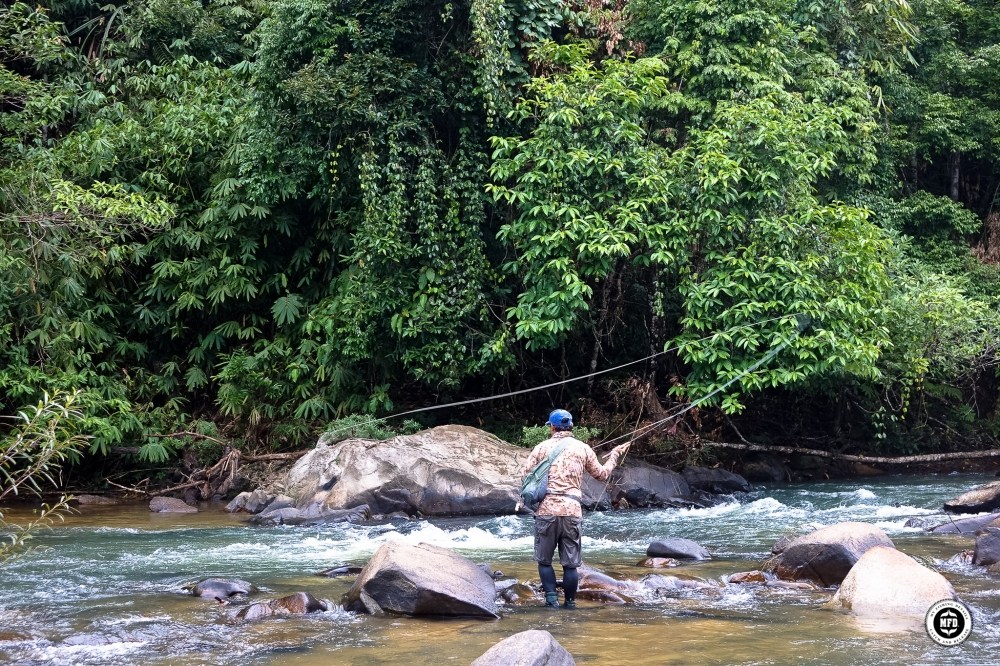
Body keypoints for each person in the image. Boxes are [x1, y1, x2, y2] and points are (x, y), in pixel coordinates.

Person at [522, 408, 631, 609]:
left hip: (546, 510)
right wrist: (614, 455)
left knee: (545, 561)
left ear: (551, 427)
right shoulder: (584, 449)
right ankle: (570, 604)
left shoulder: (541, 448)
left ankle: (551, 601)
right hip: (572, 512)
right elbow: (602, 474)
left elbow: (526, 474)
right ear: (571, 426)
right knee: (570, 564)